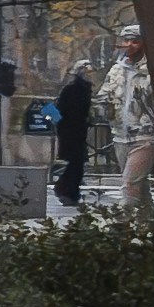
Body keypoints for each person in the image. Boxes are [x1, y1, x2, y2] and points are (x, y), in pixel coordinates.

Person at [107, 22, 154, 209]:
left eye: (135, 41)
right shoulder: (116, 69)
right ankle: (152, 223)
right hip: (120, 135)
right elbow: (105, 96)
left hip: (144, 136)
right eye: (126, 40)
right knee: (140, 188)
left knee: (129, 188)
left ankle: (120, 228)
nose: (129, 45)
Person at [51, 59, 97, 208]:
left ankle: (68, 190)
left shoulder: (85, 89)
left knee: (77, 163)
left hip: (78, 130)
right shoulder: (71, 89)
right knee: (74, 162)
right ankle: (66, 190)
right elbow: (60, 111)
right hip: (69, 131)